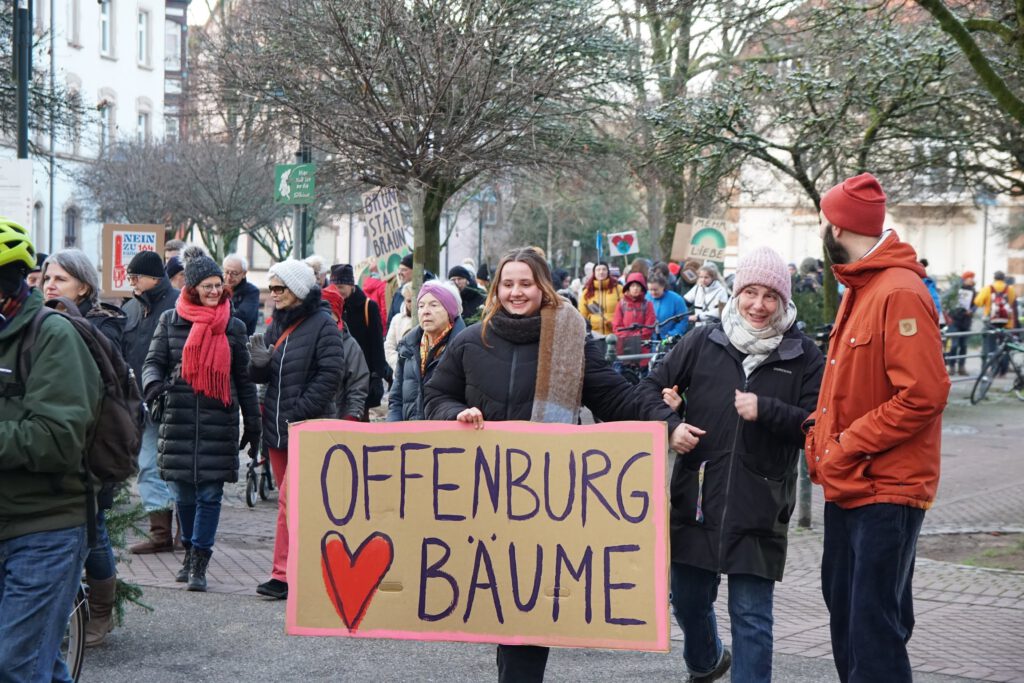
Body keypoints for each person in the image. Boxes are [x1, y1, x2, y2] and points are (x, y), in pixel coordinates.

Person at [423, 247, 637, 683]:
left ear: (543, 287)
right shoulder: (470, 341)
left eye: (526, 283)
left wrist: (665, 420)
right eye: (508, 283)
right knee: (499, 600)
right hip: (481, 493)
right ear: (496, 289)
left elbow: (616, 398)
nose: (517, 292)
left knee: (530, 605)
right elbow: (435, 397)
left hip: (545, 498)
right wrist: (454, 415)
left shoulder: (571, 341)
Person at [637, 246, 823, 683]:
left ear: (784, 300)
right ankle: (706, 661)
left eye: (770, 296)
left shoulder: (803, 354)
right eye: (750, 293)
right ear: (736, 293)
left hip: (761, 504)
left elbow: (817, 426)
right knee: (686, 600)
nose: (759, 305)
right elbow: (649, 388)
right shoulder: (705, 339)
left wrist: (768, 410)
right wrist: (670, 424)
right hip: (697, 496)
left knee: (752, 617)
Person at [805, 172, 950, 683]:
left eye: (825, 219)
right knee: (848, 620)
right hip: (852, 484)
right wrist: (820, 439)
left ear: (840, 225)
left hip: (886, 488)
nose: (821, 229)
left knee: (872, 631)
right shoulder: (862, 288)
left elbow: (925, 394)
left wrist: (845, 443)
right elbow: (851, 388)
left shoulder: (898, 292)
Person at [0, 219, 102, 681]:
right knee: (35, 659)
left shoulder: (52, 336)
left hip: (44, 526)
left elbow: (58, 439)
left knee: (14, 665)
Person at [142, 247, 260, 592]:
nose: (213, 291)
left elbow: (244, 379)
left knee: (210, 493)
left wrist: (253, 423)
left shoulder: (233, 326)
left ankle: (199, 561)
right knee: (183, 493)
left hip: (218, 421)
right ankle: (190, 549)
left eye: (217, 285)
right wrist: (153, 385)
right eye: (206, 285)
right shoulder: (170, 321)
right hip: (177, 418)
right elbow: (153, 362)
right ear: (192, 288)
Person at [40, 248, 127, 646]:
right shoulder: (40, 323)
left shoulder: (101, 327)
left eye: (60, 279)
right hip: (54, 448)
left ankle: (100, 614)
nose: (50, 285)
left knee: (94, 532)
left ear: (84, 286)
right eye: (47, 278)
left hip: (92, 446)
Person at [249, 260, 345, 600]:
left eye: (279, 288)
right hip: (277, 431)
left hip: (306, 428)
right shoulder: (278, 324)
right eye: (271, 288)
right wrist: (257, 365)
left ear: (299, 289)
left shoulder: (323, 324)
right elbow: (266, 377)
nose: (273, 295)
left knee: (292, 502)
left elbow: (331, 375)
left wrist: (299, 412)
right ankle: (301, 570)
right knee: (291, 505)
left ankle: (284, 575)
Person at [122, 249, 179, 554]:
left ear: (153, 278)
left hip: (173, 399)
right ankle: (161, 533)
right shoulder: (131, 308)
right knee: (147, 464)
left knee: (177, 467)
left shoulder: (179, 304)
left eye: (135, 276)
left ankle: (184, 533)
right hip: (141, 400)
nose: (131, 281)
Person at [388, 281, 465, 422]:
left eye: (434, 305)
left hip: (448, 437)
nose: (425, 311)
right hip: (408, 437)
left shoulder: (465, 347)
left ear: (450, 310)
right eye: (421, 306)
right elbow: (396, 400)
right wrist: (392, 432)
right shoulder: (408, 347)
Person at [330, 264, 389, 415]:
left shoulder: (369, 307)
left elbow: (377, 345)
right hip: (338, 374)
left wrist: (377, 377)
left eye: (341, 286)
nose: (338, 291)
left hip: (362, 377)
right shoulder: (330, 306)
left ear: (351, 285)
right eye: (334, 286)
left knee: (358, 419)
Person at [974, 270, 1017, 374]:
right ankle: (1004, 370)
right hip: (1007, 322)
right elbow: (1012, 301)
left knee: (991, 346)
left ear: (994, 278)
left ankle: (993, 369)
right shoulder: (1010, 289)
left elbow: (978, 302)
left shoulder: (988, 288)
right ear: (1004, 278)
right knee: (1006, 346)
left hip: (991, 322)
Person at [613, 272, 656, 358]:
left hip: (643, 347)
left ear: (642, 288)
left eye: (638, 286)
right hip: (624, 346)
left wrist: (636, 337)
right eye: (632, 286)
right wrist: (629, 337)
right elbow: (617, 327)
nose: (635, 288)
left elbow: (649, 326)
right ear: (628, 288)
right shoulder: (621, 304)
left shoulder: (648, 305)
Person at [578, 261, 622, 336]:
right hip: (594, 335)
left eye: (604, 269)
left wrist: (614, 323)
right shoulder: (586, 292)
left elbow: (624, 310)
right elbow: (582, 315)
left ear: (608, 272)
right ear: (594, 273)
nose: (601, 272)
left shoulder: (619, 289)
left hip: (614, 334)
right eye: (598, 270)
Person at [946, 271, 976, 375]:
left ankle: (961, 367)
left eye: (972, 278)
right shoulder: (956, 290)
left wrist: (972, 310)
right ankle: (951, 366)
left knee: (963, 345)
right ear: (964, 279)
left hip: (966, 321)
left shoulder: (973, 291)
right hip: (954, 320)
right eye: (969, 277)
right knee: (954, 345)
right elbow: (948, 301)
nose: (971, 279)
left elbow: (975, 304)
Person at [224, 253, 261, 335]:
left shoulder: (252, 292)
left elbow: (242, 318)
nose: (229, 277)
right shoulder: (219, 289)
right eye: (226, 272)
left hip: (241, 343)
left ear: (244, 274)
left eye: (234, 273)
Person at [684, 262, 730, 327]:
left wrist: (700, 317)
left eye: (706, 277)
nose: (703, 280)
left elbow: (720, 311)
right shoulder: (697, 288)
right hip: (698, 327)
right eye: (701, 277)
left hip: (714, 327)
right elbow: (685, 301)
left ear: (713, 278)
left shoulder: (721, 290)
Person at [384, 282, 415, 373]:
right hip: (400, 372)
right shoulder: (397, 319)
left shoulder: (425, 319)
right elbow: (389, 347)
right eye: (409, 301)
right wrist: (399, 365)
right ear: (404, 301)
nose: (412, 304)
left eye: (415, 300)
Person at [647, 272, 688, 338]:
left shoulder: (676, 299)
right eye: (650, 290)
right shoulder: (646, 297)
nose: (652, 293)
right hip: (649, 339)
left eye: (655, 290)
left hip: (669, 339)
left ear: (663, 286)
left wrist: (673, 334)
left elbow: (683, 320)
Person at [387, 253, 414, 326]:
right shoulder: (398, 293)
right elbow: (390, 320)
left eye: (404, 270)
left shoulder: (424, 293)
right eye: (399, 269)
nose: (399, 273)